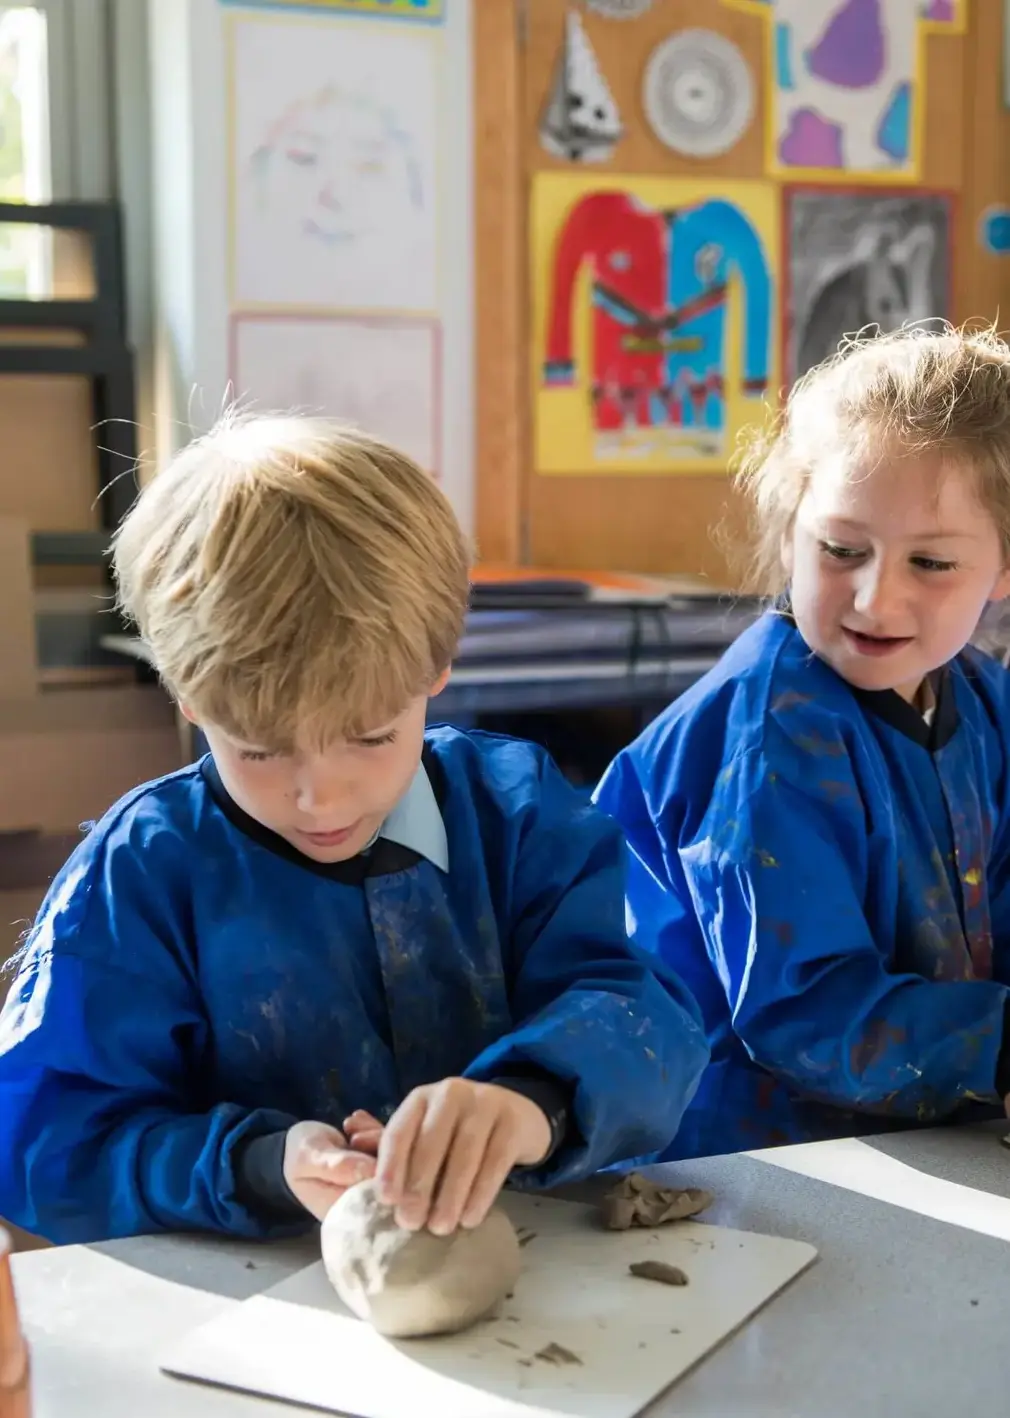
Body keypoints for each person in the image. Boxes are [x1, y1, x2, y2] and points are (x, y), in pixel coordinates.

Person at [0, 414, 708, 1244]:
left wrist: (532, 1099)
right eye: (260, 750)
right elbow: (46, 1145)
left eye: (372, 737)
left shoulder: (517, 817)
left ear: (438, 669)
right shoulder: (143, 874)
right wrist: (257, 1164)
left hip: (539, 1271)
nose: (321, 801)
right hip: (256, 1307)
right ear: (188, 697)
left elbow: (647, 1017)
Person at [595, 324, 1010, 1159]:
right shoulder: (768, 738)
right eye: (841, 549)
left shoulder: (981, 693)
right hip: (746, 1156)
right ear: (791, 535)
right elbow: (806, 1015)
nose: (873, 598)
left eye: (930, 564)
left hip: (918, 1126)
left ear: (1003, 573)